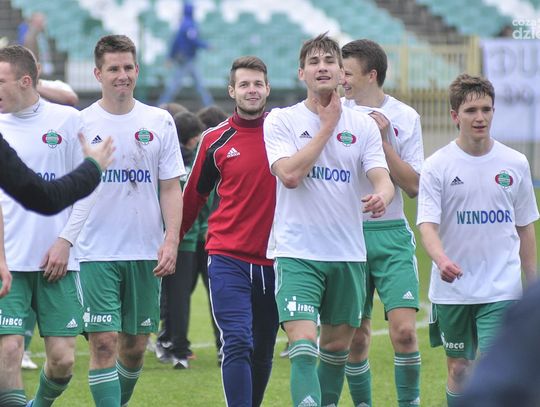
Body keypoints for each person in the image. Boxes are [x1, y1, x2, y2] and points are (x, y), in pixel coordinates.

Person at [263, 33, 395, 407]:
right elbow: (290, 175)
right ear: (301, 72)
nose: (322, 67)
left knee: (336, 349)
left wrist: (382, 196)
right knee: (304, 344)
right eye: (314, 62)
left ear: (341, 72)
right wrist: (326, 126)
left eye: (329, 61)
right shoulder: (282, 120)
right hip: (297, 252)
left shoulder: (363, 126)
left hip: (347, 254)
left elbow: (382, 178)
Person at [58, 35, 184, 406]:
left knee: (134, 348)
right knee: (103, 342)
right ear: (98, 74)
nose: (122, 75)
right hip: (94, 252)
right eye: (113, 68)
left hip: (145, 251)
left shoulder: (159, 121)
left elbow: (170, 187)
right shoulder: (79, 124)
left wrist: (171, 239)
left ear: (137, 70)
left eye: (128, 67)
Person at [416, 73, 539, 406]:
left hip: (502, 287)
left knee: (495, 367)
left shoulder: (515, 163)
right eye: (471, 111)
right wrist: (441, 259)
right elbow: (427, 225)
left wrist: (532, 283)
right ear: (455, 116)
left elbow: (525, 226)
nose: (480, 117)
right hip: (453, 290)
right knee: (459, 370)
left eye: (486, 109)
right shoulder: (437, 166)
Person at [181, 56, 278, 406]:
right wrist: (170, 242)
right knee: (237, 341)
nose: (251, 90)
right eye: (244, 84)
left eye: (257, 84)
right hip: (227, 257)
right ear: (231, 91)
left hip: (276, 260)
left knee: (263, 349)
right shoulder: (214, 140)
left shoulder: (285, 133)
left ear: (267, 88)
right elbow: (192, 198)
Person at [0, 44, 91, 407]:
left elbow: (88, 187)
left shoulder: (68, 121)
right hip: (8, 260)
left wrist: (65, 241)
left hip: (58, 260)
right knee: (9, 350)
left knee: (63, 361)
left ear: (25, 81)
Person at [340, 39, 424, 407]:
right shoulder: (334, 114)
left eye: (347, 73)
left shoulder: (405, 117)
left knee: (405, 333)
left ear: (371, 75)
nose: (341, 80)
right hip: (347, 236)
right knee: (356, 338)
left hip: (391, 236)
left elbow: (414, 186)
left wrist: (384, 141)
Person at [155, 111, 204, 369]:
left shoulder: (165, 158)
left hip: (163, 236)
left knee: (170, 295)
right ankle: (180, 349)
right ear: (193, 138)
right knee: (181, 296)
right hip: (188, 238)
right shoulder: (196, 161)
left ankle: (169, 343)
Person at [460, 278, 540, 407]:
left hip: (499, 293)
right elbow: (492, 389)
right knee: (458, 368)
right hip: (463, 293)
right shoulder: (535, 304)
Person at [157, 2, 214, 107]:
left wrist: (170, 57)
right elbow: (193, 41)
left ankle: (161, 104)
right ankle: (210, 106)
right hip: (187, 60)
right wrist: (206, 45)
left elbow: (175, 42)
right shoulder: (189, 24)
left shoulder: (182, 24)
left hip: (184, 59)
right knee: (190, 85)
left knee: (185, 84)